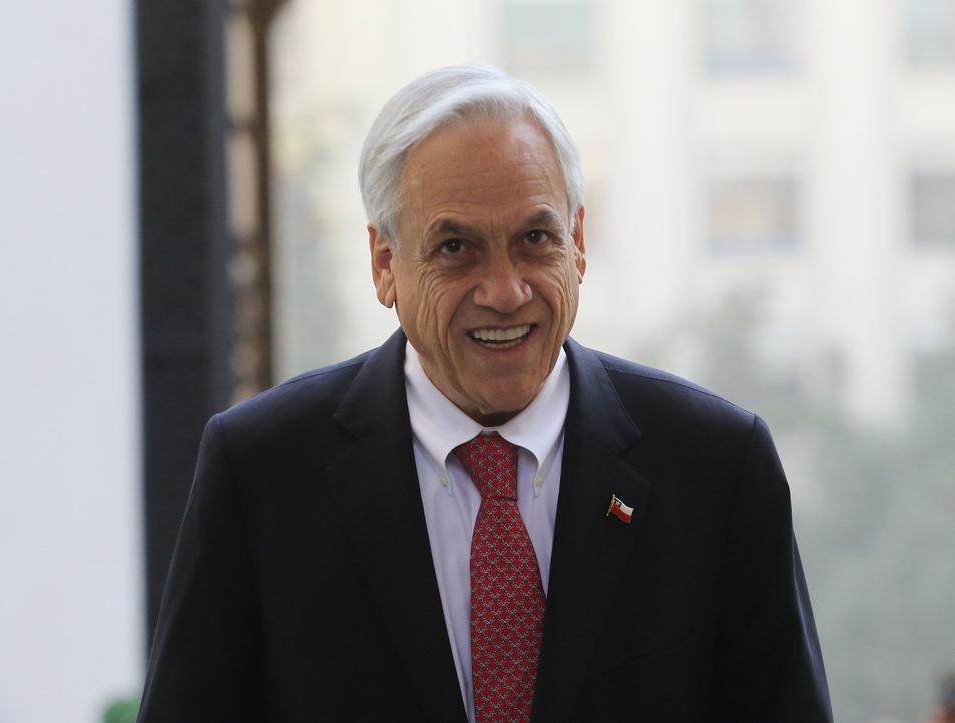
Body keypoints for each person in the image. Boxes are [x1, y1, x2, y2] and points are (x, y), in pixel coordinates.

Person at [137, 65, 832, 722]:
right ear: (384, 263)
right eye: (456, 248)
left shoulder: (716, 467)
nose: (505, 291)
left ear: (578, 242)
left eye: (534, 238)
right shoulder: (261, 473)